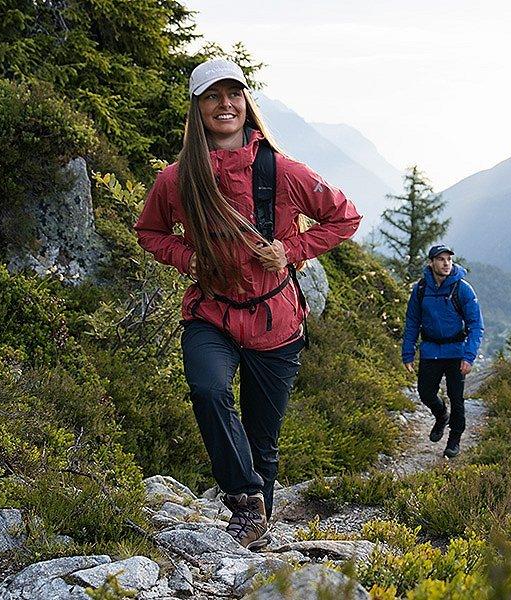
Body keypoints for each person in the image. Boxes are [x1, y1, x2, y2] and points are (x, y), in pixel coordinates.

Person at [134, 58, 360, 550]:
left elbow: (344, 216)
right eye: (213, 96)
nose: (225, 105)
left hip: (273, 319)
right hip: (210, 312)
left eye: (233, 94)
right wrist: (188, 257)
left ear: (246, 103)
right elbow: (149, 231)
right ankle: (244, 499)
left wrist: (292, 250)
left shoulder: (281, 170)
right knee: (208, 388)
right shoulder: (176, 179)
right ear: (197, 109)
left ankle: (257, 532)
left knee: (263, 441)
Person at [402, 245, 484, 458]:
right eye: (441, 259)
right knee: (426, 392)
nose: (447, 263)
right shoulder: (421, 290)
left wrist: (469, 356)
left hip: (456, 351)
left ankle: (454, 439)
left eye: (449, 259)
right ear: (431, 263)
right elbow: (412, 321)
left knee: (456, 398)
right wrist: (408, 353)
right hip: (430, 350)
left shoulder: (462, 289)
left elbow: (476, 325)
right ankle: (441, 416)